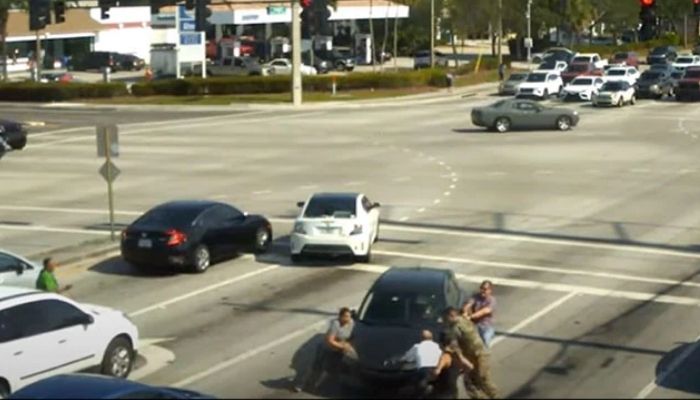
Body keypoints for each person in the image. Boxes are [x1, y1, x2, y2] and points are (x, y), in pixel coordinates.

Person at [293, 307, 356, 392]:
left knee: (353, 360)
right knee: (315, 367)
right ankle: (300, 384)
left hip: (340, 348)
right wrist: (342, 346)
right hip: (327, 348)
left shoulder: (351, 323)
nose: (347, 318)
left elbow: (353, 336)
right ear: (340, 317)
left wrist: (348, 345)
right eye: (345, 316)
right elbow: (330, 340)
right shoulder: (335, 324)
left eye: (349, 316)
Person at [442, 307, 498, 399]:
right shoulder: (464, 320)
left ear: (451, 316)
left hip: (474, 357)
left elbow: (455, 347)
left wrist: (463, 362)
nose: (444, 320)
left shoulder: (454, 328)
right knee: (480, 380)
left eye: (445, 318)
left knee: (476, 381)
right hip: (480, 354)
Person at [393, 330, 442, 396]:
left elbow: (407, 358)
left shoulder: (417, 347)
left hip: (423, 372)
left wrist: (396, 359)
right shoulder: (437, 347)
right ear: (432, 338)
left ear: (421, 338)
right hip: (436, 371)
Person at [462, 280, 497, 348]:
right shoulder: (476, 296)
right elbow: (468, 304)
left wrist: (471, 316)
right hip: (475, 325)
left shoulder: (492, 300)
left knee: (485, 343)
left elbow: (484, 311)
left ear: (490, 290)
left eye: (485, 289)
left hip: (486, 326)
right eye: (481, 288)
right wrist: (465, 312)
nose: (483, 291)